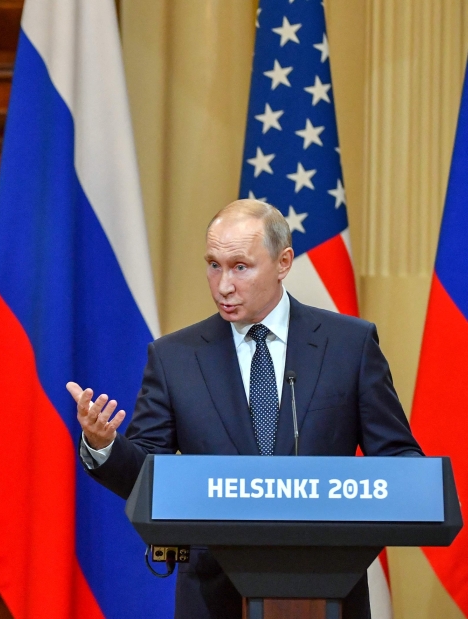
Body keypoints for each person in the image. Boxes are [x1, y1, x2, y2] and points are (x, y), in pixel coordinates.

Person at [67, 199, 421, 619]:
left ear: (283, 262)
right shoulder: (175, 357)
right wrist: (103, 444)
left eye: (240, 266)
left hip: (327, 588)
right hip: (213, 595)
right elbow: (150, 475)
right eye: (213, 265)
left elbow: (400, 462)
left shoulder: (349, 346)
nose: (223, 285)